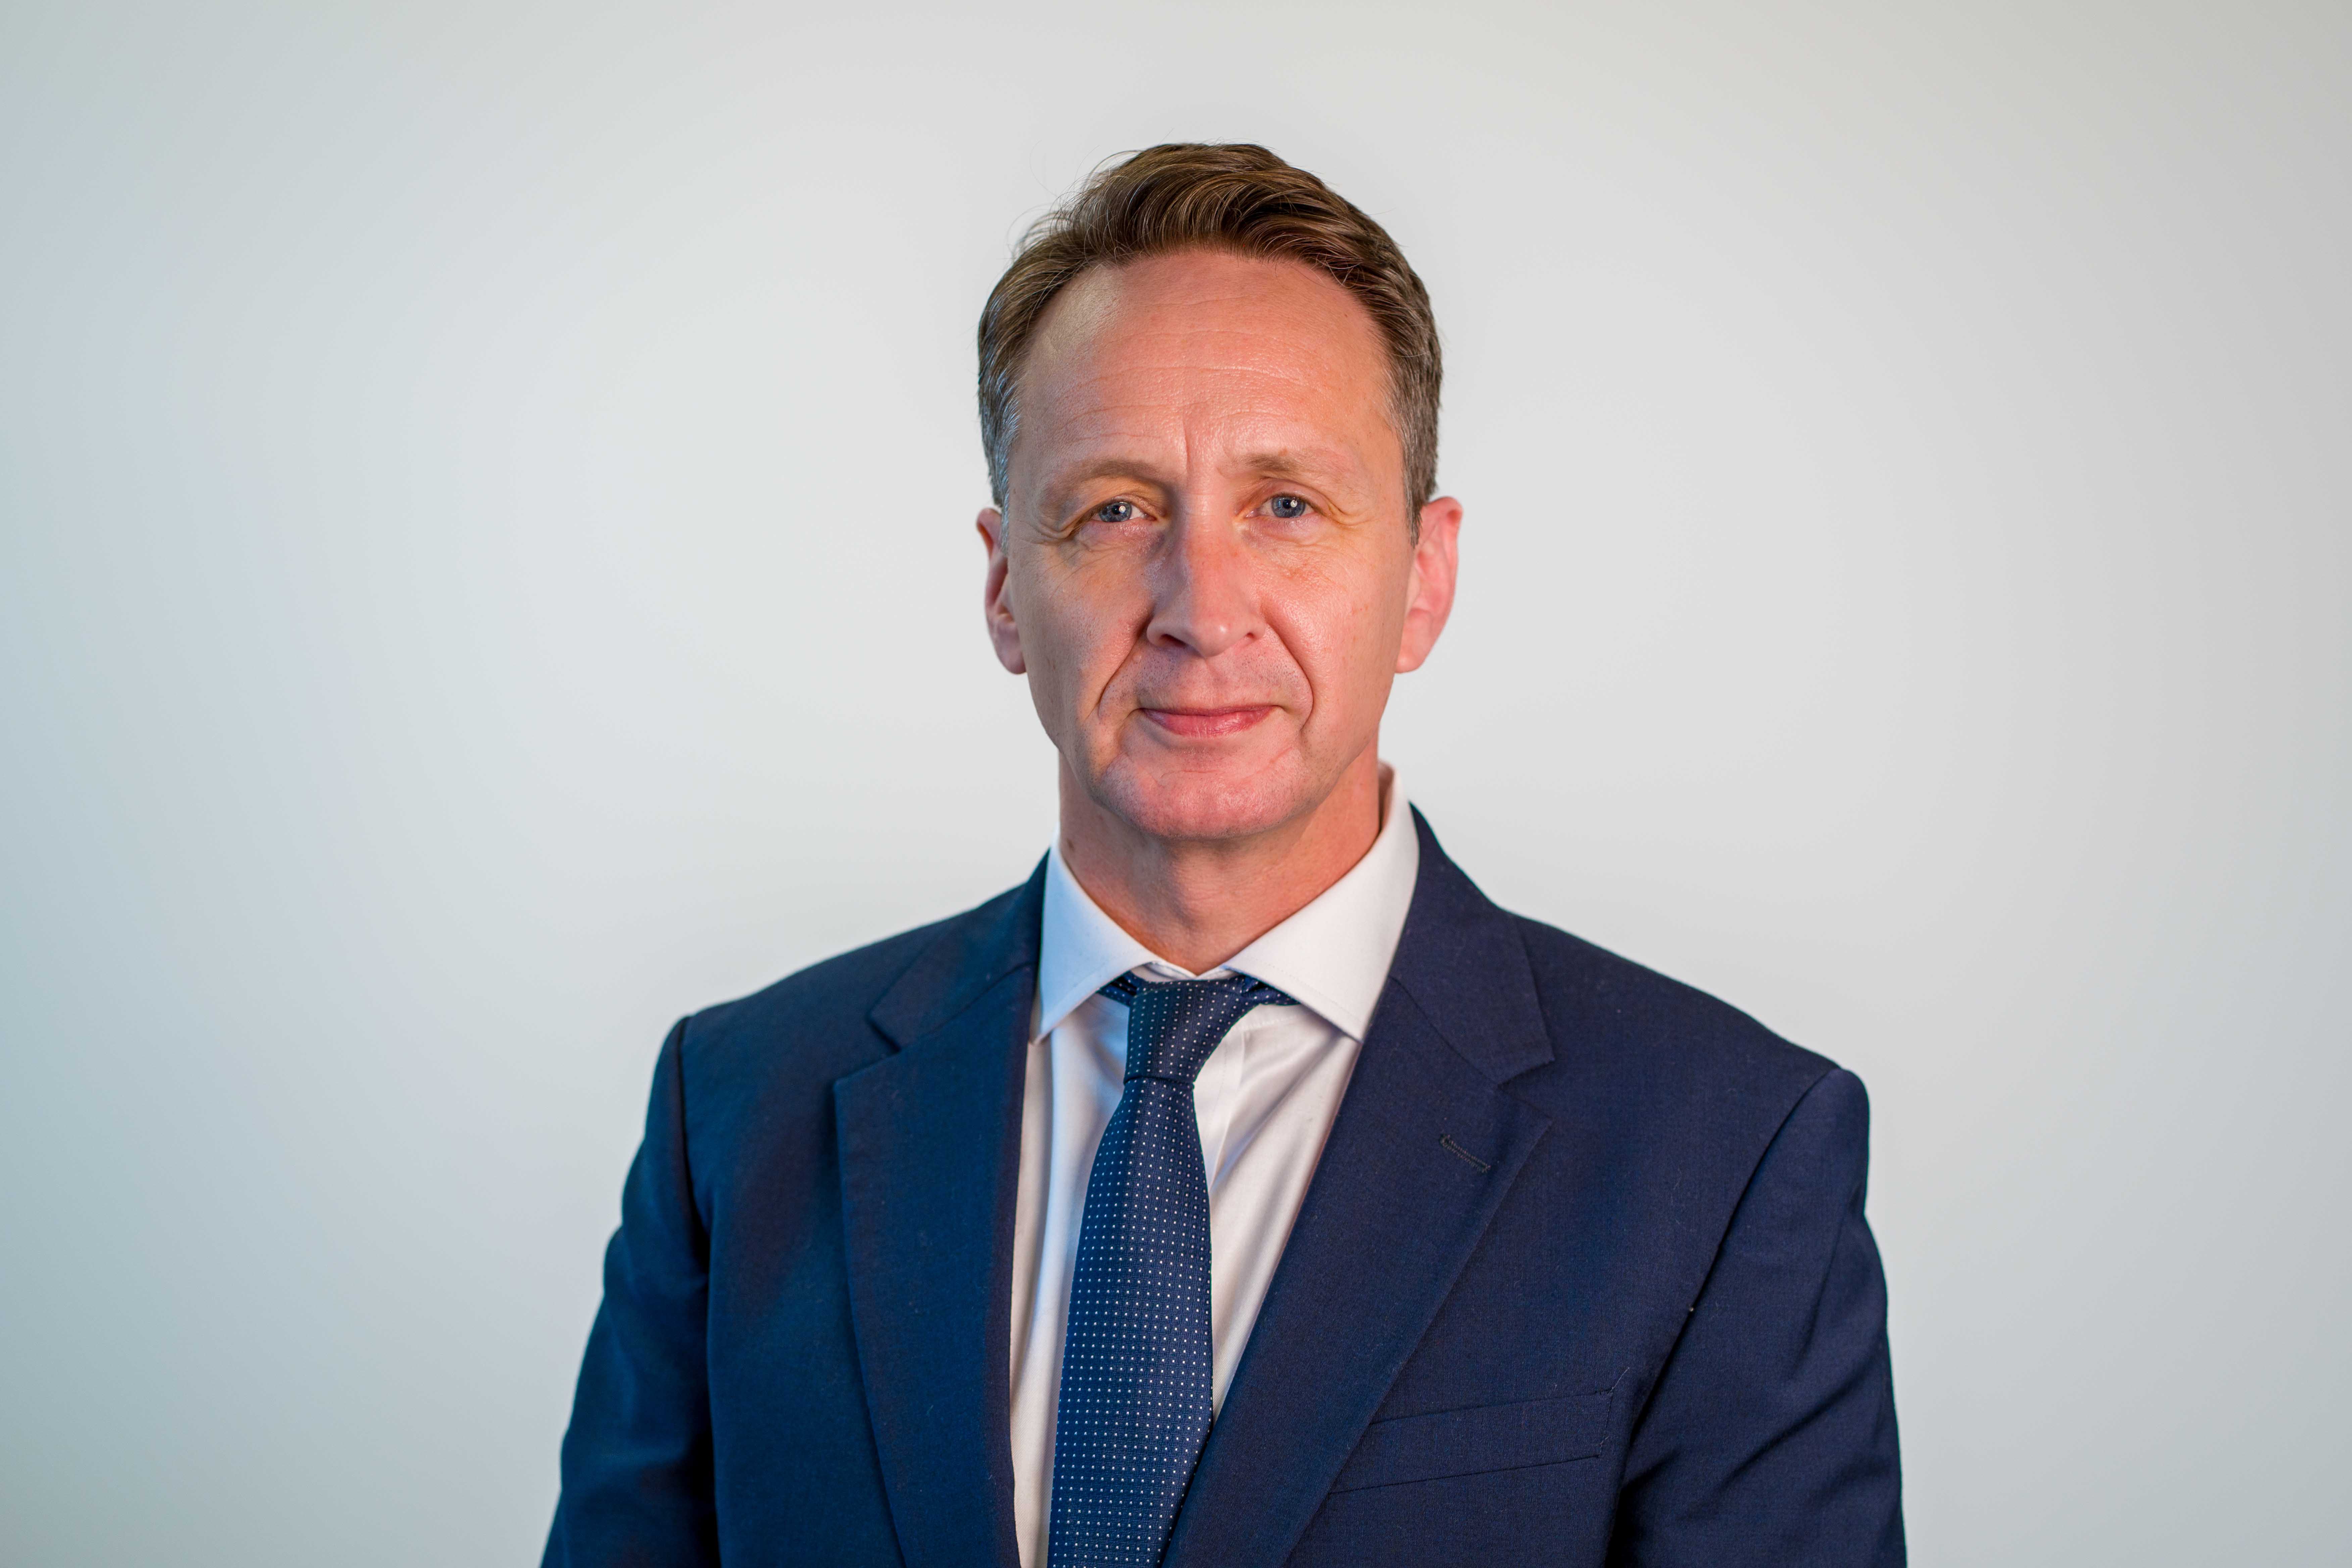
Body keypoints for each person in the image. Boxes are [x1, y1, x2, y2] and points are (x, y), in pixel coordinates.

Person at [542, 143, 1904, 1568]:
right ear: (1005, 586)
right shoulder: (739, 1110)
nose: (1201, 607)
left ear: (1425, 577)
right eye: (1116, 509)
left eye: (1287, 506)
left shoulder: (1725, 1153)